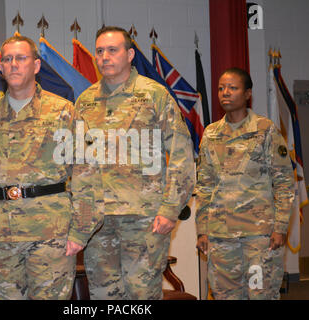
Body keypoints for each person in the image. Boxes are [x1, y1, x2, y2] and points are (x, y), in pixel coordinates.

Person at [0, 35, 101, 300]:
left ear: (36, 66)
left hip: (52, 235)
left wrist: (80, 232)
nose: (13, 65)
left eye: (21, 58)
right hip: (1, 235)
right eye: (7, 59)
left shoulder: (63, 111)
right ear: (1, 66)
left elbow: (87, 176)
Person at [76, 26, 195, 300]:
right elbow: (78, 164)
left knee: (142, 296)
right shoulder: (85, 102)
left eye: (112, 50)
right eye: (100, 51)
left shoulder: (154, 95)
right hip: (98, 221)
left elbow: (181, 154)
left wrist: (170, 209)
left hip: (145, 219)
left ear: (130, 54)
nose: (105, 57)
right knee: (104, 296)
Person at [195, 67, 295, 300]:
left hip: (259, 238)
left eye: (233, 87)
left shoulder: (264, 130)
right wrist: (202, 230)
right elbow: (204, 186)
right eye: (221, 88)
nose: (225, 93)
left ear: (248, 93)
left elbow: (283, 182)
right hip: (221, 237)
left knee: (259, 293)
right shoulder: (211, 134)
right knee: (224, 296)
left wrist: (280, 227)